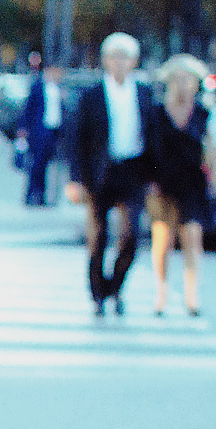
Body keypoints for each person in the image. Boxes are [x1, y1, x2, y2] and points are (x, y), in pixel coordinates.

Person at [68, 32, 154, 316]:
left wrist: (153, 177)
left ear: (133, 61)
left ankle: (116, 287)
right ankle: (97, 293)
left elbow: (152, 137)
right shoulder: (92, 95)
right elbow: (77, 139)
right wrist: (76, 179)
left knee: (131, 235)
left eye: (125, 57)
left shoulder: (143, 93)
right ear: (105, 60)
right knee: (99, 236)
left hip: (132, 171)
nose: (119, 63)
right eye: (114, 57)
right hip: (100, 172)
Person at [146, 55, 216, 316]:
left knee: (192, 236)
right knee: (163, 239)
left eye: (188, 79)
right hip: (163, 182)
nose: (182, 84)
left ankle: (192, 296)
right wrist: (150, 180)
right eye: (177, 79)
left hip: (192, 183)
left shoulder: (201, 114)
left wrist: (214, 172)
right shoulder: (157, 112)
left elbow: (209, 146)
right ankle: (161, 293)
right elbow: (150, 148)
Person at [16, 61, 65, 206]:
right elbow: (28, 108)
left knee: (45, 164)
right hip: (39, 130)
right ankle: (31, 195)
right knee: (36, 164)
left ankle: (42, 195)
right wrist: (23, 128)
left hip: (53, 129)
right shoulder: (38, 86)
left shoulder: (58, 88)